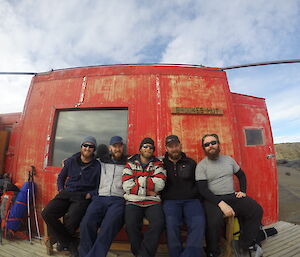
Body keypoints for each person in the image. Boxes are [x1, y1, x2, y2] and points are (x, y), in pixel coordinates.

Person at [195, 134, 263, 257]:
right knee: (214, 222)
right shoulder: (201, 166)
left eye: (213, 142)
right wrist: (221, 204)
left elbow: (241, 175)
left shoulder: (229, 160)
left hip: (232, 196)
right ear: (203, 148)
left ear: (218, 144)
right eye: (207, 144)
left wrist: (243, 191)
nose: (210, 146)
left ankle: (243, 244)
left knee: (256, 210)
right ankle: (213, 252)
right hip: (212, 199)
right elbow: (203, 190)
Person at [42, 136, 100, 257]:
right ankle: (70, 242)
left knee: (72, 219)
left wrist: (91, 194)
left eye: (91, 146)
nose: (87, 148)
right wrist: (61, 189)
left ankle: (64, 242)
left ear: (94, 149)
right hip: (66, 192)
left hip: (82, 196)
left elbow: (100, 186)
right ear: (81, 147)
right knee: (47, 213)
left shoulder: (97, 166)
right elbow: (61, 177)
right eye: (85, 145)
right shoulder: (71, 161)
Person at [79, 136, 127, 257]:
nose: (117, 149)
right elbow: (84, 155)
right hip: (100, 198)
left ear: (123, 147)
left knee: (108, 226)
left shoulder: (129, 162)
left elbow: (148, 158)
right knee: (86, 223)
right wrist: (70, 159)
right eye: (114, 146)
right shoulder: (101, 161)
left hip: (118, 199)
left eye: (119, 146)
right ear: (110, 147)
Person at [162, 135, 206, 257]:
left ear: (180, 146)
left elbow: (198, 183)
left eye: (176, 145)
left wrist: (198, 198)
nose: (174, 149)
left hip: (191, 200)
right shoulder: (161, 164)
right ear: (166, 148)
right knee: (171, 225)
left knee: (199, 222)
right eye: (171, 146)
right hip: (170, 201)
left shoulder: (191, 163)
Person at [122, 137, 166, 257]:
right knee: (130, 225)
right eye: (145, 146)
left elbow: (160, 185)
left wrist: (138, 181)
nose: (148, 149)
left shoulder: (158, 164)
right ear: (140, 148)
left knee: (158, 224)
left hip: (152, 202)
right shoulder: (130, 163)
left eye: (151, 147)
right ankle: (141, 253)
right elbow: (127, 186)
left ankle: (143, 255)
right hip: (133, 202)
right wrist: (148, 186)